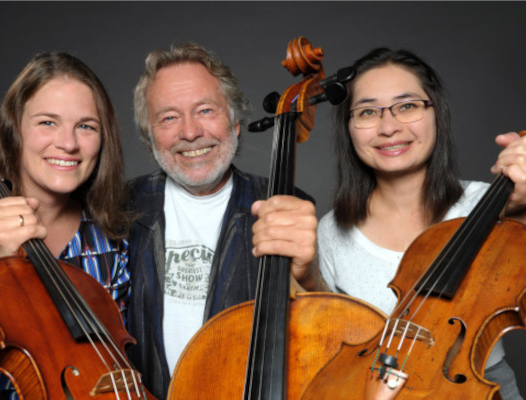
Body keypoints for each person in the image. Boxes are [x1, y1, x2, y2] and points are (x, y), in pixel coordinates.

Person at [318, 47, 525, 399]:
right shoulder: (331, 230)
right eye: (368, 112)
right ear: (349, 129)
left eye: (408, 106)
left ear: (436, 114)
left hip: (474, 387)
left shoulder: (496, 206)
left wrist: (519, 215)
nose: (389, 127)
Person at [0, 52, 134, 399]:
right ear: (14, 130)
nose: (68, 143)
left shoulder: (107, 239)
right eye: (47, 123)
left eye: (86, 126)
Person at [127, 41, 324, 399]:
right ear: (150, 135)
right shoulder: (120, 208)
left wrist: (310, 275)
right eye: (169, 117)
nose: (189, 132)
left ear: (235, 123)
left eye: (205, 110)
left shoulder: (286, 206)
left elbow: (323, 332)